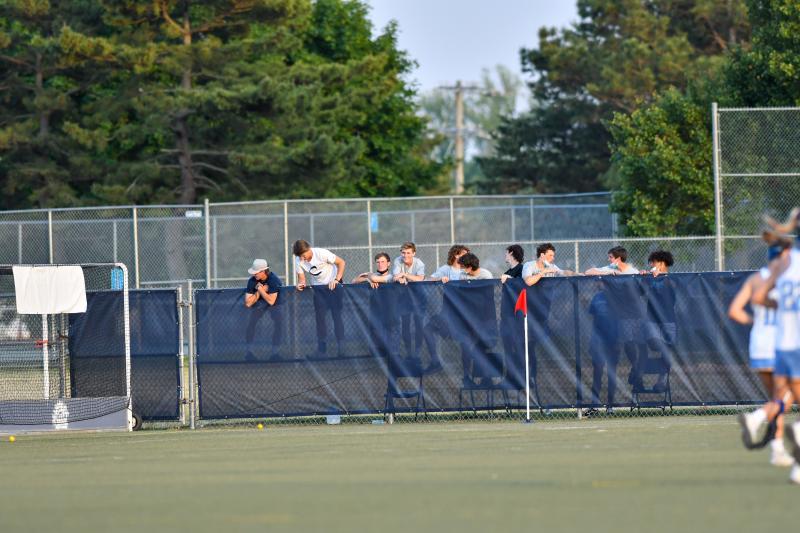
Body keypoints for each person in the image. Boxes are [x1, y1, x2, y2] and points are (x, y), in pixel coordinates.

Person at [743, 208, 800, 484]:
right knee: (787, 401)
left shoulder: (782, 266)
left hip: (783, 344)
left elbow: (760, 298)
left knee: (785, 399)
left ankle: (762, 422)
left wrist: (780, 306)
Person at [730, 237, 794, 467]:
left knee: (777, 398)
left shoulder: (755, 279)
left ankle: (777, 450)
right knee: (786, 398)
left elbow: (734, 311)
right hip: (781, 345)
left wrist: (755, 321)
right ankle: (755, 418)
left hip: (758, 345)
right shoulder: (789, 279)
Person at [293, 239, 347, 358]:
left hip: (334, 287)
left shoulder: (321, 253)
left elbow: (341, 262)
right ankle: (322, 351)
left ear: (308, 249)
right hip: (319, 290)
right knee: (320, 320)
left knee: (336, 317)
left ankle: (341, 349)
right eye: (300, 257)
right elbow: (301, 279)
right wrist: (300, 284)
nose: (303, 259)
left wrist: (337, 280)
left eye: (303, 255)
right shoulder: (298, 260)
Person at [353, 252, 396, 360]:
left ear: (388, 263)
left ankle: (391, 354)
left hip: (389, 309)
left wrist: (370, 276)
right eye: (378, 262)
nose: (380, 264)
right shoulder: (373, 275)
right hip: (375, 309)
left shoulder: (392, 276)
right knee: (375, 331)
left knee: (389, 331)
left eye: (383, 262)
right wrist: (367, 279)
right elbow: (354, 280)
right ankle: (378, 353)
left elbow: (376, 279)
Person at [243, 258, 283, 361]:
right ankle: (249, 352)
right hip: (259, 303)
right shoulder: (252, 281)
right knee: (251, 323)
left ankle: (275, 353)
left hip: (275, 303)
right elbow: (248, 303)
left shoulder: (274, 280)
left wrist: (260, 289)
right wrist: (259, 291)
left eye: (256, 272)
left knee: (279, 323)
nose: (254, 274)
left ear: (263, 271)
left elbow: (271, 301)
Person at [392, 242, 426, 358]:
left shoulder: (419, 263)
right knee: (405, 325)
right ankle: (409, 352)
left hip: (418, 297)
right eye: (403, 252)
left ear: (414, 253)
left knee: (418, 324)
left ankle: (417, 352)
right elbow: (396, 276)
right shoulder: (398, 260)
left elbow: (420, 279)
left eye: (408, 253)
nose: (405, 255)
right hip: (404, 297)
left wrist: (404, 275)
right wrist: (401, 276)